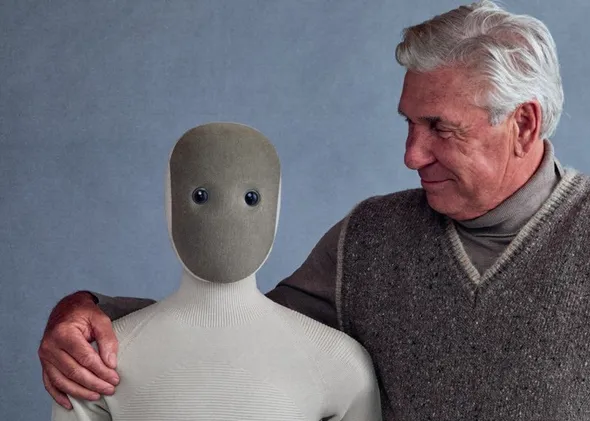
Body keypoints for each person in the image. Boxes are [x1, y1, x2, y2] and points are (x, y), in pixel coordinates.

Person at [39, 1, 590, 419]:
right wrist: (87, 311)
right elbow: (242, 329)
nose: (411, 154)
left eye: (439, 128)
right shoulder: (369, 238)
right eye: (408, 123)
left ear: (522, 124)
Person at [50, 122, 381, 421]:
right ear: (171, 198)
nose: (225, 213)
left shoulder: (340, 363)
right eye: (201, 196)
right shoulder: (90, 364)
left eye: (250, 198)